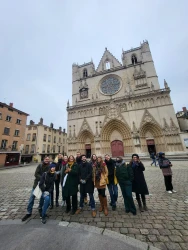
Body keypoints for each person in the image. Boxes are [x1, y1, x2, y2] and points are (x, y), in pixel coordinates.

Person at [22, 156, 50, 221]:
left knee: (42, 199)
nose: (47, 160)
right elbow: (36, 174)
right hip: (36, 185)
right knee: (31, 198)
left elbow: (48, 175)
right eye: (46, 159)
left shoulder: (49, 167)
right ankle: (29, 212)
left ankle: (40, 209)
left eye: (48, 159)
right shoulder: (39, 166)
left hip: (43, 186)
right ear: (44, 159)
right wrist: (42, 178)